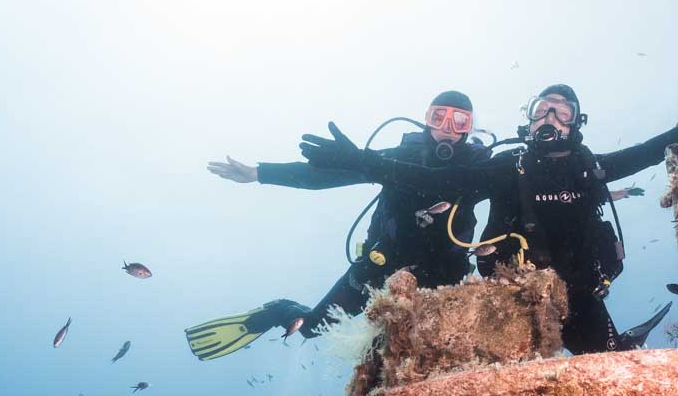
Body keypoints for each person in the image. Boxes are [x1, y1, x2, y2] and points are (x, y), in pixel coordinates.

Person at [299, 83, 678, 354]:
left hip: (581, 295)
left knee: (608, 360)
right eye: (543, 109)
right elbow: (435, 179)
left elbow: (647, 150)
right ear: (528, 120)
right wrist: (363, 162)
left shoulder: (591, 168)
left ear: (575, 124)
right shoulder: (508, 168)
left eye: (562, 112)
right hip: (508, 296)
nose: (551, 118)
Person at [185, 91, 491, 361]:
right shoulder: (397, 158)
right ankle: (280, 310)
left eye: (459, 121)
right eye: (439, 117)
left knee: (432, 345)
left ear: (470, 127)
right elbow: (324, 176)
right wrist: (259, 173)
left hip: (445, 271)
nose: (448, 129)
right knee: (310, 328)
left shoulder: (479, 170)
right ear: (426, 120)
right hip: (381, 263)